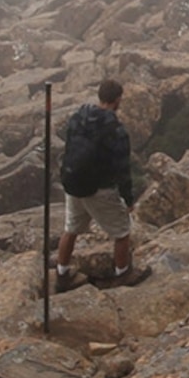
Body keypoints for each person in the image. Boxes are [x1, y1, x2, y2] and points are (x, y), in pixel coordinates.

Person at [54, 79, 145, 288]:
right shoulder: (115, 128)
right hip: (99, 188)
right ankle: (123, 273)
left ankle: (62, 272)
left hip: (73, 181)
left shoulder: (78, 117)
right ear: (117, 99)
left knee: (71, 228)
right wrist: (128, 199)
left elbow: (68, 147)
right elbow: (122, 168)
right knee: (122, 232)